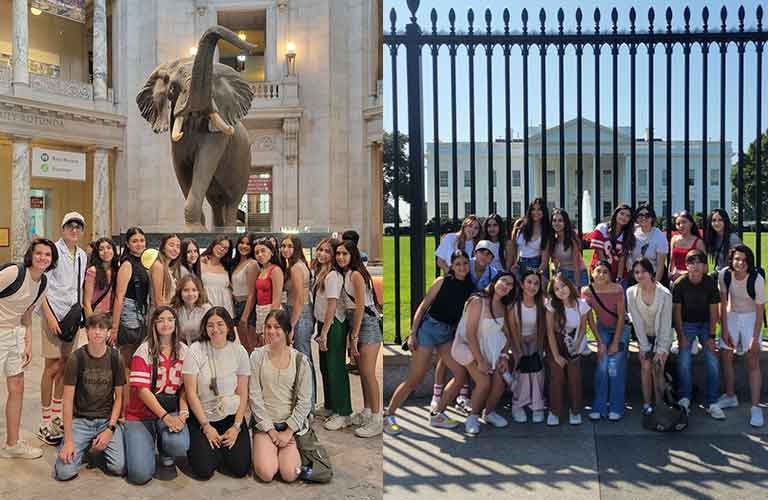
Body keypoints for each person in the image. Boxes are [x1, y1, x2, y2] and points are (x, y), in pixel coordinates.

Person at [384, 249, 475, 435]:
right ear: (451, 266)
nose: (462, 267)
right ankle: (388, 415)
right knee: (415, 378)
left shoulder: (469, 287)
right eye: (457, 264)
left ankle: (437, 413)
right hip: (428, 330)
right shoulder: (441, 282)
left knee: (460, 374)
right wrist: (413, 333)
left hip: (446, 334)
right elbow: (424, 306)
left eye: (465, 263)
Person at [0, 239, 56, 459]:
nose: (43, 258)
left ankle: (12, 444)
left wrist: (28, 342)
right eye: (39, 253)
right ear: (31, 256)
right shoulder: (14, 272)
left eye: (48, 255)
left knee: (17, 387)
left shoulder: (42, 283)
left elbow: (27, 313)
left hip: (16, 335)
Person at [53, 313, 126, 480]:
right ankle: (84, 446)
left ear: (108, 332)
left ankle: (99, 445)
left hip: (106, 421)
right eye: (93, 328)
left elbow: (119, 398)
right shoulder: (76, 358)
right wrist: (69, 440)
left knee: (119, 467)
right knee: (64, 473)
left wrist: (110, 429)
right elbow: (68, 401)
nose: (97, 332)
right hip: (81, 421)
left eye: (102, 328)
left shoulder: (116, 358)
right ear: (87, 331)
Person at [38, 212, 88, 446]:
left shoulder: (82, 255)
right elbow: (41, 285)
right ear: (62, 228)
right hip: (53, 316)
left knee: (66, 366)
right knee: (52, 366)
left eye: (79, 226)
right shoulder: (53, 251)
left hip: (72, 318)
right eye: (71, 226)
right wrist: (48, 317)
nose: (75, 230)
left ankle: (57, 415)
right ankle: (45, 420)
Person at [182, 307, 251, 479]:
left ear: (228, 326)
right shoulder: (196, 350)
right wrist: (206, 426)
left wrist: (236, 427)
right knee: (204, 471)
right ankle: (213, 449)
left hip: (229, 415)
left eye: (220, 324)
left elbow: (243, 393)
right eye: (210, 325)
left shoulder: (239, 351)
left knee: (240, 469)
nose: (215, 329)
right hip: (202, 417)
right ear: (205, 328)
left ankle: (223, 450)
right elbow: (190, 393)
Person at [124, 306, 190, 483]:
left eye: (170, 319)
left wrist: (183, 414)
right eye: (160, 320)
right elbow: (143, 391)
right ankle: (140, 438)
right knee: (140, 475)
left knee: (179, 445)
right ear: (153, 324)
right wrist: (166, 418)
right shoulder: (143, 351)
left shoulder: (184, 351)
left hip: (170, 409)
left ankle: (164, 445)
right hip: (141, 415)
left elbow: (186, 387)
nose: (166, 323)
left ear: (176, 323)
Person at [449, 272, 517, 435]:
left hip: (494, 351)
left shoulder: (505, 306)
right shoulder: (478, 301)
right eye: (503, 281)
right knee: (484, 382)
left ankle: (490, 413)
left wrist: (503, 356)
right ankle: (473, 416)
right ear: (495, 282)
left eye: (510, 285)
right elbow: (470, 333)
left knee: (500, 382)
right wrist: (480, 360)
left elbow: (508, 335)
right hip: (473, 350)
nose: (505, 286)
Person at [249, 309, 313, 483]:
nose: (271, 331)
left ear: (287, 331)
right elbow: (254, 397)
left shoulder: (300, 360)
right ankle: (267, 450)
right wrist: (270, 430)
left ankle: (291, 453)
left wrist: (288, 432)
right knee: (266, 473)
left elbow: (305, 401)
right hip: (265, 424)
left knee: (290, 474)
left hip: (289, 426)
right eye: (268, 327)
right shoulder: (257, 356)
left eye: (277, 327)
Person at [337, 239, 383, 438]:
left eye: (344, 254)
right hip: (355, 322)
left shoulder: (356, 275)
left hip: (366, 324)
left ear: (352, 255)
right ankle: (366, 411)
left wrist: (354, 336)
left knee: (368, 372)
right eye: (338, 253)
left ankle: (376, 417)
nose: (340, 257)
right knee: (363, 373)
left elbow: (360, 308)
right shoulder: (346, 274)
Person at [671, 250, 724, 419]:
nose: (695, 266)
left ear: (704, 266)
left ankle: (712, 402)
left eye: (698, 262)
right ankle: (685, 397)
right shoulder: (680, 284)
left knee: (712, 360)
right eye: (691, 262)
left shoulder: (709, 283)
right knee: (684, 359)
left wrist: (710, 336)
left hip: (705, 324)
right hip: (687, 324)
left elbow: (714, 310)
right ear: (686, 266)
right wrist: (681, 336)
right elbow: (677, 312)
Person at [717, 245, 765, 427]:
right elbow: (723, 302)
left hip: (751, 317)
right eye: (737, 259)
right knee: (726, 354)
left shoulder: (757, 279)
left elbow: (760, 312)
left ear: (749, 262)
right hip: (732, 315)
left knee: (752, 360)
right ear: (731, 259)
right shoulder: (724, 275)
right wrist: (725, 328)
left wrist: (754, 338)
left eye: (744, 260)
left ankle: (755, 407)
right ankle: (730, 396)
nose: (740, 263)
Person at [312, 239, 353, 429]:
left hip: (334, 324)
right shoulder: (322, 273)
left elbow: (332, 305)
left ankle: (343, 412)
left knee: (335, 368)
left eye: (327, 251)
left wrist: (325, 333)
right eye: (320, 250)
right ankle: (330, 405)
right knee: (326, 367)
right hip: (324, 324)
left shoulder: (333, 276)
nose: (322, 254)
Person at [110, 227, 150, 415]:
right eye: (135, 240)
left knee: (136, 364)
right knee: (127, 366)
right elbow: (119, 296)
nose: (139, 244)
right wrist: (115, 327)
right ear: (127, 243)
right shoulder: (127, 263)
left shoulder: (143, 261)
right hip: (128, 314)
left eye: (142, 240)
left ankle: (134, 406)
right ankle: (125, 410)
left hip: (141, 313)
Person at [626, 258, 673, 415]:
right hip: (644, 336)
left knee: (658, 367)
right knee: (645, 365)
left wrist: (660, 349)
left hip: (662, 336)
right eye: (636, 272)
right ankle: (647, 404)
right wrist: (645, 347)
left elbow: (666, 324)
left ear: (651, 272)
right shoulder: (631, 292)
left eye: (643, 272)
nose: (640, 275)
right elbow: (637, 322)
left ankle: (660, 404)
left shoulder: (665, 294)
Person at [582, 260, 628, 421]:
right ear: (592, 273)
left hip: (620, 329)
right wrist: (600, 342)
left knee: (614, 365)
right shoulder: (587, 291)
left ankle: (616, 406)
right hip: (602, 328)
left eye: (605, 272)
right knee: (602, 364)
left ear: (610, 275)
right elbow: (590, 319)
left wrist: (615, 342)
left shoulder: (617, 289)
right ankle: (599, 406)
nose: (601, 274)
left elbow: (622, 317)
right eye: (598, 271)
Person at [545, 273, 591, 426]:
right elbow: (550, 332)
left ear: (569, 286)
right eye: (557, 289)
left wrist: (576, 348)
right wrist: (557, 355)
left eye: (563, 286)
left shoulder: (581, 304)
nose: (561, 291)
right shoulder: (552, 305)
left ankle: (575, 410)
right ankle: (554, 411)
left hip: (574, 341)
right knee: (557, 374)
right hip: (556, 342)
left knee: (574, 376)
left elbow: (583, 329)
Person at [507, 269, 548, 424]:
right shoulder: (514, 306)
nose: (532, 286)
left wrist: (535, 345)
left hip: (536, 340)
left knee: (537, 368)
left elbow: (542, 328)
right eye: (529, 282)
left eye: (536, 283)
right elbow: (513, 330)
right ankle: (518, 404)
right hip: (518, 340)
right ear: (522, 284)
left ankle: (537, 404)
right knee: (523, 368)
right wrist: (519, 352)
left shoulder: (541, 304)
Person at [280, 235, 316, 408]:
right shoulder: (298, 265)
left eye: (289, 246)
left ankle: (307, 405)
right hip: (300, 313)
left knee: (303, 360)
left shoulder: (295, 268)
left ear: (297, 248)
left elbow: (300, 300)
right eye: (283, 246)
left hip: (299, 314)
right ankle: (308, 403)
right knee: (303, 359)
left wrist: (292, 326)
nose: (285, 249)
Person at [240, 238, 284, 347]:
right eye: (257, 252)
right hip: (259, 310)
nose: (260, 255)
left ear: (272, 252)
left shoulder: (276, 270)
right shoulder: (261, 270)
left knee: (271, 343)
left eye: (263, 251)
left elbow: (276, 299)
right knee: (262, 344)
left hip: (271, 311)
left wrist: (272, 324)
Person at [589, 204, 636, 286]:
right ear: (616, 214)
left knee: (621, 297)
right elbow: (600, 255)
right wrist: (607, 277)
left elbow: (622, 259)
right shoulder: (602, 228)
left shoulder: (627, 235)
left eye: (628, 216)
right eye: (622, 213)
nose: (624, 217)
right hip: (600, 273)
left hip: (619, 273)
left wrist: (619, 278)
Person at [510, 198, 552, 279]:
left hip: (536, 264)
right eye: (533, 209)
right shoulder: (520, 224)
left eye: (539, 209)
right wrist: (514, 263)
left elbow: (544, 260)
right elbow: (514, 246)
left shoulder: (546, 230)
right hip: (520, 264)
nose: (535, 212)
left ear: (544, 212)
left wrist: (537, 274)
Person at [231, 234, 259, 352]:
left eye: (248, 244)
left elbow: (253, 293)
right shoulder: (236, 263)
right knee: (244, 347)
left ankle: (254, 370)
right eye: (242, 243)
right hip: (237, 306)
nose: (244, 246)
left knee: (251, 347)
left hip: (247, 307)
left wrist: (245, 317)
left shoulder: (252, 264)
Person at [630, 203, 668, 285]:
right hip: (635, 277)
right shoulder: (633, 232)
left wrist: (655, 284)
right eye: (640, 215)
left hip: (652, 276)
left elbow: (660, 265)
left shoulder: (659, 236)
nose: (643, 218)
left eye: (647, 215)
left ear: (652, 218)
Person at [550, 208, 589, 288]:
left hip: (578, 273)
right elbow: (555, 263)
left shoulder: (572, 238)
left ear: (565, 222)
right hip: (563, 273)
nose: (557, 223)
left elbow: (576, 264)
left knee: (576, 299)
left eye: (560, 220)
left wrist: (577, 285)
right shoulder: (553, 239)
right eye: (554, 220)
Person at [172, 274, 212, 345]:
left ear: (199, 292)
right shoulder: (174, 309)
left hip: (202, 346)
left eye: (194, 290)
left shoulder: (206, 309)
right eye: (186, 290)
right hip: (180, 347)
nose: (190, 294)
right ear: (180, 292)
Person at [83, 237, 118, 318]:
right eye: (101, 249)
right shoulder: (92, 271)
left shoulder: (116, 270)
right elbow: (86, 302)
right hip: (96, 315)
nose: (106, 251)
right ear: (97, 253)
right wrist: (90, 323)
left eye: (109, 248)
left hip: (111, 315)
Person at [200, 236, 234, 317]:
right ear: (214, 244)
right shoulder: (200, 262)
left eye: (225, 248)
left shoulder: (227, 266)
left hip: (226, 308)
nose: (222, 249)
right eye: (220, 245)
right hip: (205, 307)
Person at [668, 210, 706, 283]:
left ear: (691, 223)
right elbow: (671, 261)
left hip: (693, 280)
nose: (681, 226)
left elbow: (704, 268)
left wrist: (684, 274)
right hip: (675, 280)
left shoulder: (698, 242)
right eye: (678, 224)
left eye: (684, 222)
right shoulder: (674, 239)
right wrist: (670, 274)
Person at [149, 234, 182, 307]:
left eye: (178, 246)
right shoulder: (158, 266)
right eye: (171, 245)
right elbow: (159, 300)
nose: (175, 249)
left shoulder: (169, 268)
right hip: (161, 314)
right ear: (163, 248)